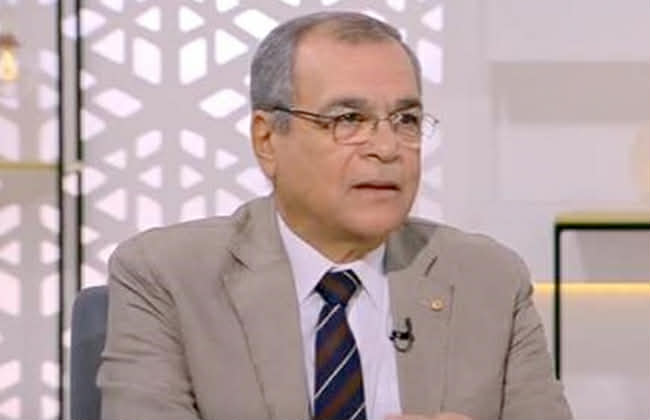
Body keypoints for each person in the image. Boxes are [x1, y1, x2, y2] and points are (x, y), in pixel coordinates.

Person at [98, 11, 572, 420]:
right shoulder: (168, 277)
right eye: (348, 120)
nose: (387, 148)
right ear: (267, 140)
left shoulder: (488, 280)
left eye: (406, 120)